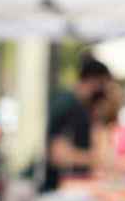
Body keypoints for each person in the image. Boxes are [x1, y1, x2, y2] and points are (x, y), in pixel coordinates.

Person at [41, 54, 113, 192]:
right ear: (94, 81)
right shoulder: (66, 105)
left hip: (73, 188)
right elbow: (58, 155)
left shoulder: (83, 107)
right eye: (103, 84)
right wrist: (96, 159)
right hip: (59, 190)